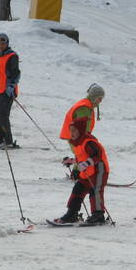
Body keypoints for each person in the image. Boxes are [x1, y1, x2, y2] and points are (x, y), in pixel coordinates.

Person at [53, 83, 109, 225]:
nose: (70, 134)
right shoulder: (78, 140)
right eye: (99, 98)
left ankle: (98, 215)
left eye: (73, 132)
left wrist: (83, 164)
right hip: (88, 169)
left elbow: (95, 156)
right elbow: (81, 157)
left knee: (95, 191)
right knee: (78, 189)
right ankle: (71, 213)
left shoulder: (87, 141)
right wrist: (72, 162)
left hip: (98, 169)